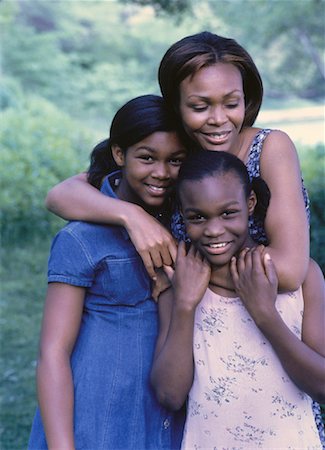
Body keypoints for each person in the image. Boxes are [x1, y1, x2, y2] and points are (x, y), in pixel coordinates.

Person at [45, 31, 309, 294]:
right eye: (199, 107)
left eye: (231, 103)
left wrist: (182, 269)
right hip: (189, 323)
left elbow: (288, 271)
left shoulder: (269, 148)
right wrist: (133, 216)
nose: (218, 119)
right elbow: (60, 195)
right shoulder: (175, 154)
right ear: (176, 106)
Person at [27, 95, 187, 449]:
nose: (161, 173)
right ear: (119, 154)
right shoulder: (81, 238)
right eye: (146, 157)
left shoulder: (190, 219)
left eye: (175, 160)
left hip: (170, 413)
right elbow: (52, 351)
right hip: (99, 417)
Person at [150, 150, 324, 449]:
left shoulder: (302, 276)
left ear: (250, 203)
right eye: (198, 217)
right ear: (182, 213)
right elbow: (169, 395)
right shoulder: (181, 282)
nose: (214, 230)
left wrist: (265, 315)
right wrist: (185, 305)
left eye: (228, 213)